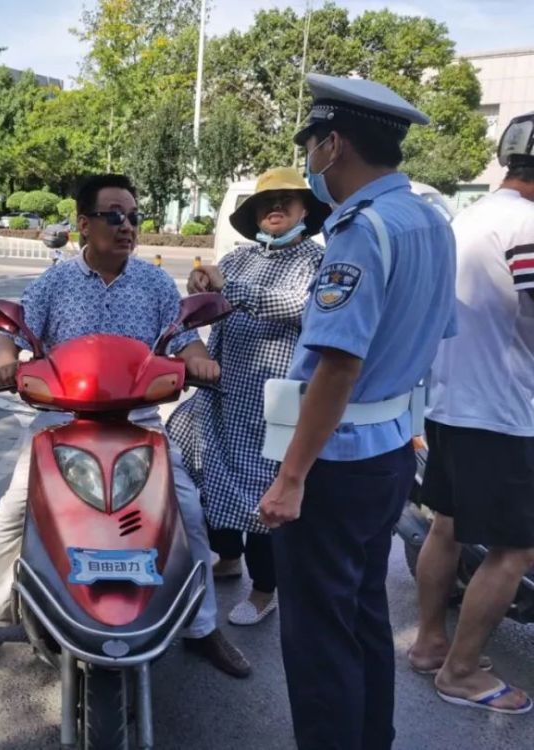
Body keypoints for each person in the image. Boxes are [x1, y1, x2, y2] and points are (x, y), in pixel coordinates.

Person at [0, 173, 251, 679]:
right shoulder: (54, 281)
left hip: (139, 422)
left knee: (188, 511)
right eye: (114, 216)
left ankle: (202, 626)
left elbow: (182, 339)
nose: (127, 226)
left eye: (133, 216)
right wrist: (7, 362)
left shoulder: (153, 283)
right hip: (60, 419)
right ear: (84, 224)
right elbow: (11, 333)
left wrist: (199, 359)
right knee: (11, 512)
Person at [257, 74, 457, 749]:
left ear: (333, 143)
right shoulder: (430, 218)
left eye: (310, 144)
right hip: (392, 453)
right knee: (363, 614)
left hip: (335, 463)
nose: (309, 159)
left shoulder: (361, 229)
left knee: (318, 640)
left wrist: (291, 475)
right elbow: (436, 335)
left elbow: (339, 365)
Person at [407, 112, 534, 715]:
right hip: (507, 410)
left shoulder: (467, 219)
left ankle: (431, 644)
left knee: (447, 524)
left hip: (450, 402)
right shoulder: (528, 224)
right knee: (514, 550)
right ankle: (461, 672)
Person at [167, 167, 329, 626]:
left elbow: (301, 309)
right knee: (201, 468)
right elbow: (210, 303)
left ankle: (265, 588)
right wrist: (199, 287)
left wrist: (229, 289)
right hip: (223, 392)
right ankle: (228, 556)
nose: (274, 209)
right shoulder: (237, 258)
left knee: (263, 495)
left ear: (304, 211)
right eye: (265, 203)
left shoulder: (314, 262)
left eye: (285, 201)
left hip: (273, 404)